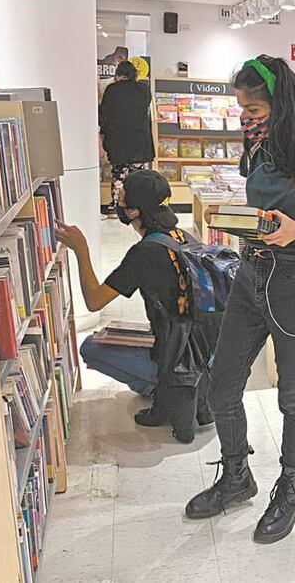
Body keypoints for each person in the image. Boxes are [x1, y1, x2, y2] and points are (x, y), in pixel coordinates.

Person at [184, 55, 295, 544]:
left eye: (255, 107)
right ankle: (238, 476)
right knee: (222, 384)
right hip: (251, 274)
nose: (247, 116)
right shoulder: (261, 146)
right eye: (242, 108)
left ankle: (289, 488)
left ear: (279, 102)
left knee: (292, 394)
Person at [57, 169, 212, 443]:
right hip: (204, 352)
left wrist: (81, 250)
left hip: (176, 355)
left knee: (90, 348)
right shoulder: (184, 236)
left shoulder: (145, 253)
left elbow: (94, 301)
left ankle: (163, 388)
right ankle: (177, 384)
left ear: (134, 212)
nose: (119, 203)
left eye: (123, 199)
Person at [99, 60, 154, 212]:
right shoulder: (143, 89)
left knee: (119, 173)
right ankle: (138, 205)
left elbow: (104, 113)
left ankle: (117, 205)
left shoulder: (112, 90)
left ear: (118, 75)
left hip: (119, 140)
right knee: (138, 175)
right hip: (140, 141)